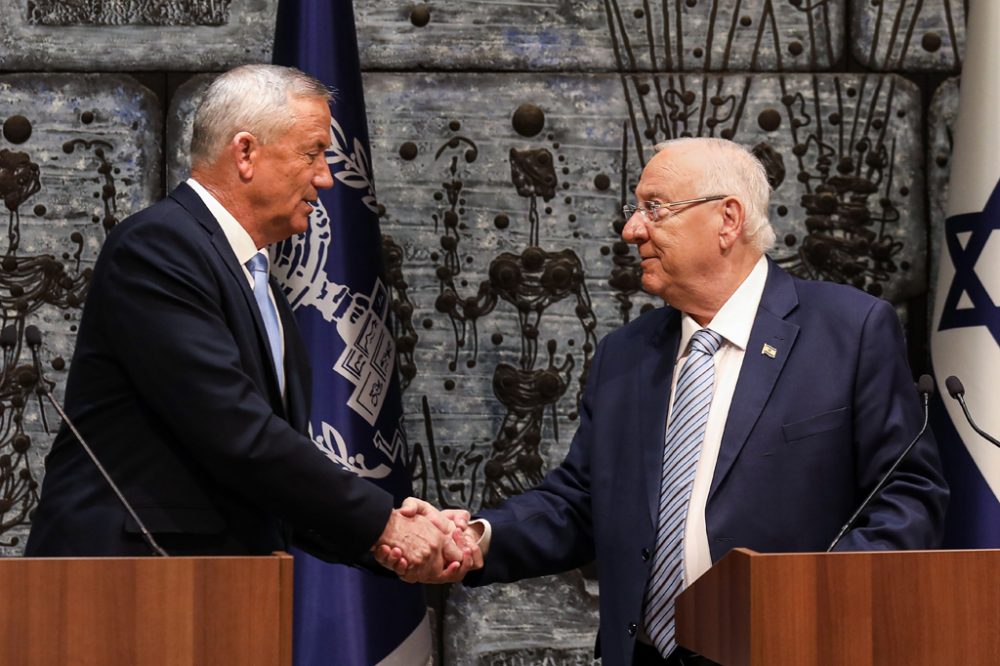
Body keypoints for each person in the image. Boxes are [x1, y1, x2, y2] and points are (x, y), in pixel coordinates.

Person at [381, 137, 949, 664]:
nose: (632, 229)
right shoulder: (626, 356)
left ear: (727, 219)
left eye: (655, 208)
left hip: (792, 647)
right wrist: (476, 540)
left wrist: (814, 606)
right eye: (636, 209)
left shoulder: (848, 331)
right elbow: (580, 502)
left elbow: (906, 495)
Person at [26, 64, 469, 579]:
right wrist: (383, 525)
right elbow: (236, 431)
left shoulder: (254, 276)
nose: (325, 177)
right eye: (312, 152)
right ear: (245, 153)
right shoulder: (159, 249)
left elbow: (267, 470)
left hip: (216, 588)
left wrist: (380, 537)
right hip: (123, 585)